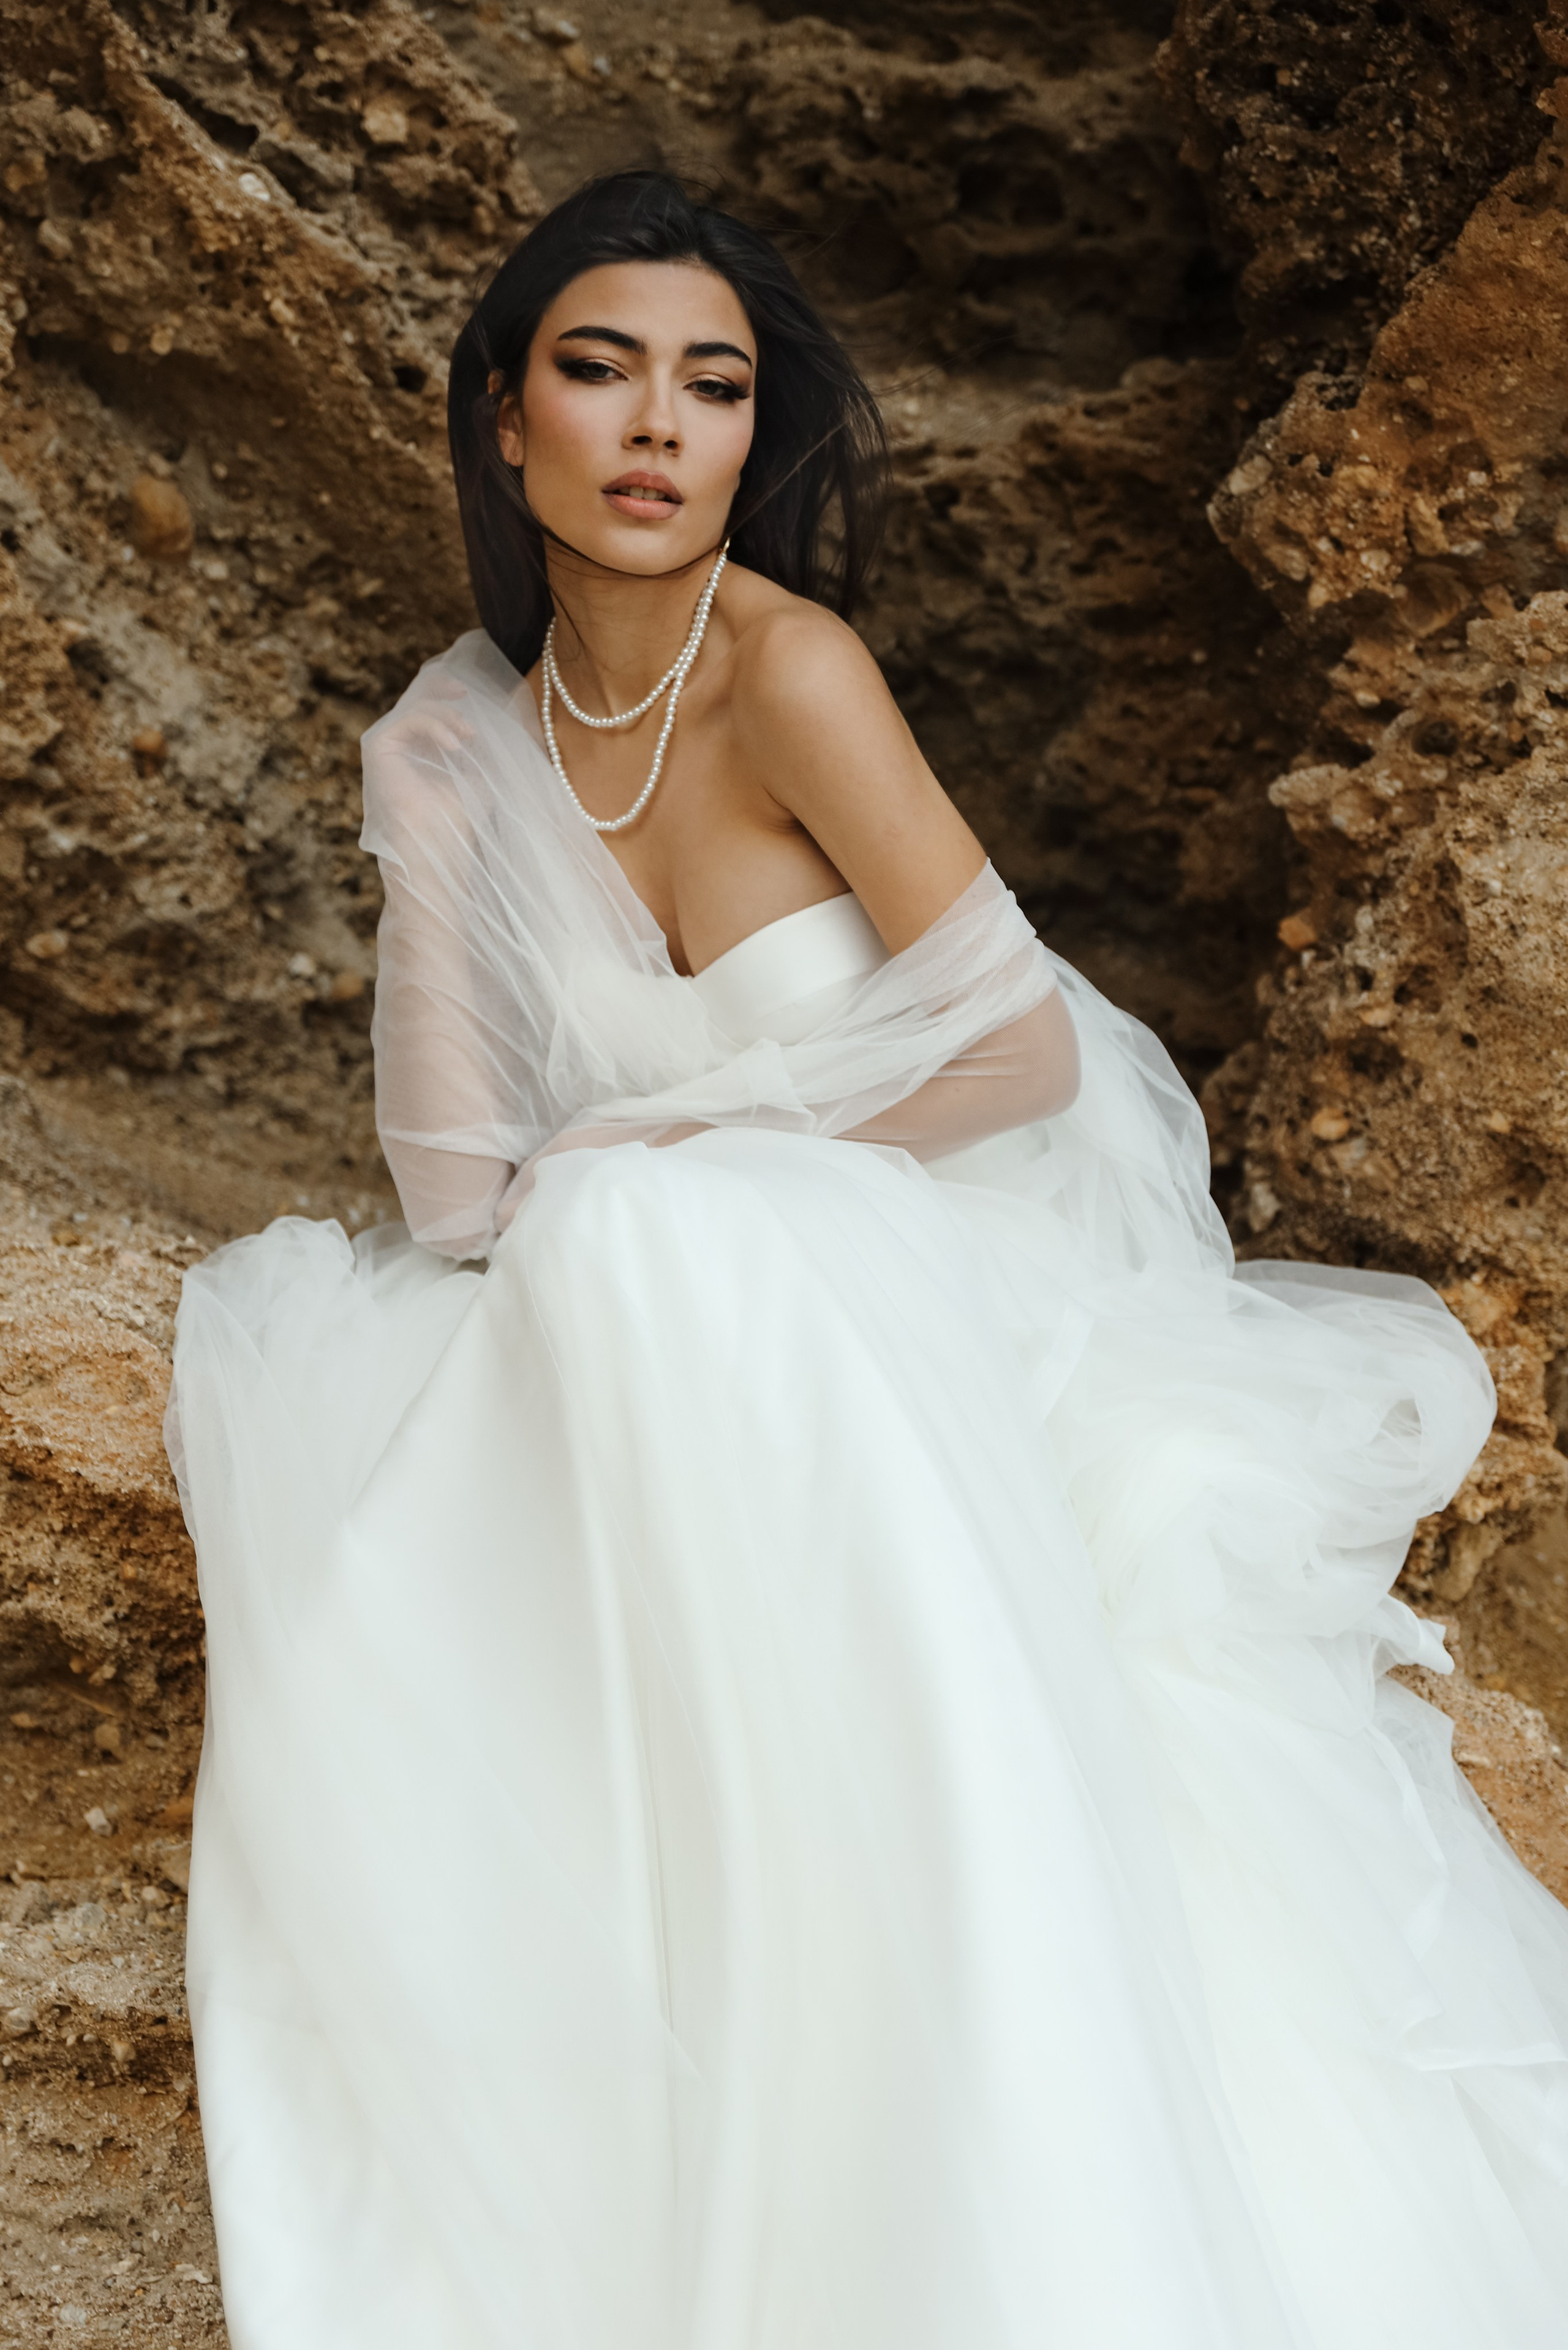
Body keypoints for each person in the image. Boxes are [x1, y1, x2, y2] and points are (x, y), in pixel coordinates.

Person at [166, 172, 1568, 2350]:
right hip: (665, 1313)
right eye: (601, 371)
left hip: (943, 1253)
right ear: (505, 422)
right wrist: (435, 833)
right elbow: (457, 1197)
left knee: (661, 1225)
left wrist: (682, 1143)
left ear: (754, 435)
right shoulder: (457, 745)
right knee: (595, 1284)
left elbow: (1016, 1055)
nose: (661, 426)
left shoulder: (792, 672)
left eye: (715, 386)